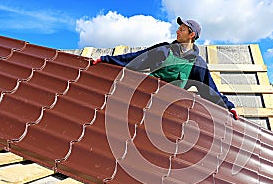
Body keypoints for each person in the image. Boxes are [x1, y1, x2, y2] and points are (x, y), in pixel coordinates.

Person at [93, 17, 239, 120]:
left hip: (167, 112)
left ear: (191, 35)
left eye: (182, 29)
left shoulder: (197, 64)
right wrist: (105, 59)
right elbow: (134, 60)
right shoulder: (163, 50)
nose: (177, 31)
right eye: (178, 28)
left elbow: (210, 91)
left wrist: (229, 107)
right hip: (141, 101)